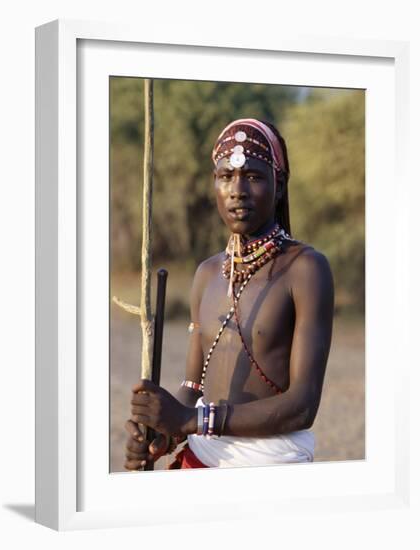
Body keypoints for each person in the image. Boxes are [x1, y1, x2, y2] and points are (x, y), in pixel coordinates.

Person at [124, 118, 334, 470]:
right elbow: (193, 387)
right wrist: (163, 433)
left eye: (253, 176)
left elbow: (303, 405)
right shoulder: (207, 273)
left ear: (278, 185)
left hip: (270, 466)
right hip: (202, 456)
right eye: (225, 177)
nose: (237, 190)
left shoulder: (306, 269)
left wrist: (193, 422)